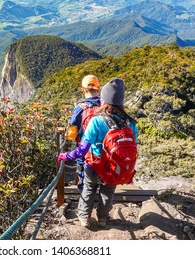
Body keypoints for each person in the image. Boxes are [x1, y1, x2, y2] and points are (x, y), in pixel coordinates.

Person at [58, 78, 137, 228]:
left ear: (104, 99)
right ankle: (102, 218)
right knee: (108, 192)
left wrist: (65, 156)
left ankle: (84, 217)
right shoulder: (130, 123)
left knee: (89, 188)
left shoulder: (97, 121)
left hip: (95, 164)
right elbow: (132, 149)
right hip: (115, 166)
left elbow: (82, 149)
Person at [65, 75, 101, 193]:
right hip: (103, 147)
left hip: (83, 147)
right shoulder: (105, 106)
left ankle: (84, 194)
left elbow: (71, 131)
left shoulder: (80, 108)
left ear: (83, 90)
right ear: (98, 89)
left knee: (83, 171)